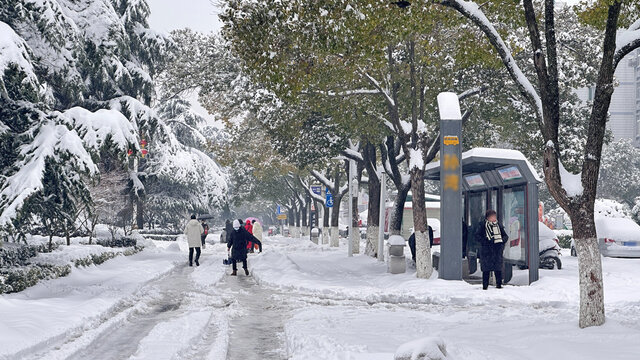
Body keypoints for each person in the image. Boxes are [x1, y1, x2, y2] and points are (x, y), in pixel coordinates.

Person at [474, 209, 508, 290]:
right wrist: (486, 240)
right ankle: (485, 286)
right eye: (492, 216)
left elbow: (505, 236)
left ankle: (499, 284)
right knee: (486, 270)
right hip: (487, 251)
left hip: (497, 250)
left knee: (498, 268)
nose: (493, 218)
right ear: (488, 217)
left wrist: (501, 241)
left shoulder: (498, 225)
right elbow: (477, 236)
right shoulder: (483, 225)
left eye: (494, 216)